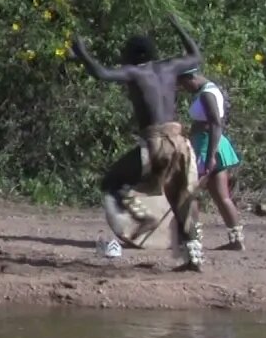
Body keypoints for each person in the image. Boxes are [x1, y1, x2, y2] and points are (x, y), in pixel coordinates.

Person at [72, 14, 206, 271]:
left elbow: (101, 73)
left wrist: (83, 52)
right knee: (181, 199)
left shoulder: (134, 72)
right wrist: (179, 26)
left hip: (156, 142)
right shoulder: (170, 67)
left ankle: (142, 216)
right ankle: (194, 258)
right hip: (180, 142)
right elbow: (195, 55)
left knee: (112, 181)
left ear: (130, 55)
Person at [177, 67, 244, 250]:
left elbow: (215, 124)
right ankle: (236, 238)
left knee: (190, 194)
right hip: (207, 145)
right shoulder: (208, 90)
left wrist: (210, 156)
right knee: (221, 196)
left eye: (183, 84)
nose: (183, 88)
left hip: (207, 146)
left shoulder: (207, 94)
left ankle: (194, 238)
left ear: (191, 78)